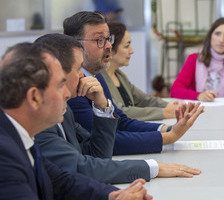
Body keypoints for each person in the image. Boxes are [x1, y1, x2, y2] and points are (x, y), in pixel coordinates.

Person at [35, 33, 202, 184]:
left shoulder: (66, 110)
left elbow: (97, 154)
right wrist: (152, 167)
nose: (82, 75)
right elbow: (82, 168)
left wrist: (102, 107)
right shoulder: (42, 121)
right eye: (78, 69)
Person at [0, 42, 152, 200]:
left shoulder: (19, 135)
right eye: (60, 86)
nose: (67, 93)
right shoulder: (4, 154)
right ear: (34, 97)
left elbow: (62, 182)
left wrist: (112, 196)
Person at [64, 11, 204, 155]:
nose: (108, 46)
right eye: (99, 40)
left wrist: (167, 129)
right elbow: (103, 141)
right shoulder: (73, 87)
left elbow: (121, 121)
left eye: (108, 39)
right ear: (74, 46)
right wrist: (168, 137)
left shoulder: (96, 76)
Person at [100, 21, 179, 121]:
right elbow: (120, 112)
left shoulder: (119, 75)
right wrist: (164, 112)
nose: (132, 51)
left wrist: (171, 106)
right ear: (110, 48)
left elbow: (143, 99)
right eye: (126, 46)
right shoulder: (100, 79)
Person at [170, 17, 224, 102]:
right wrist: (198, 96)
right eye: (217, 34)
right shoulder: (193, 59)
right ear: (210, 36)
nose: (221, 40)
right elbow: (175, 90)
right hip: (198, 112)